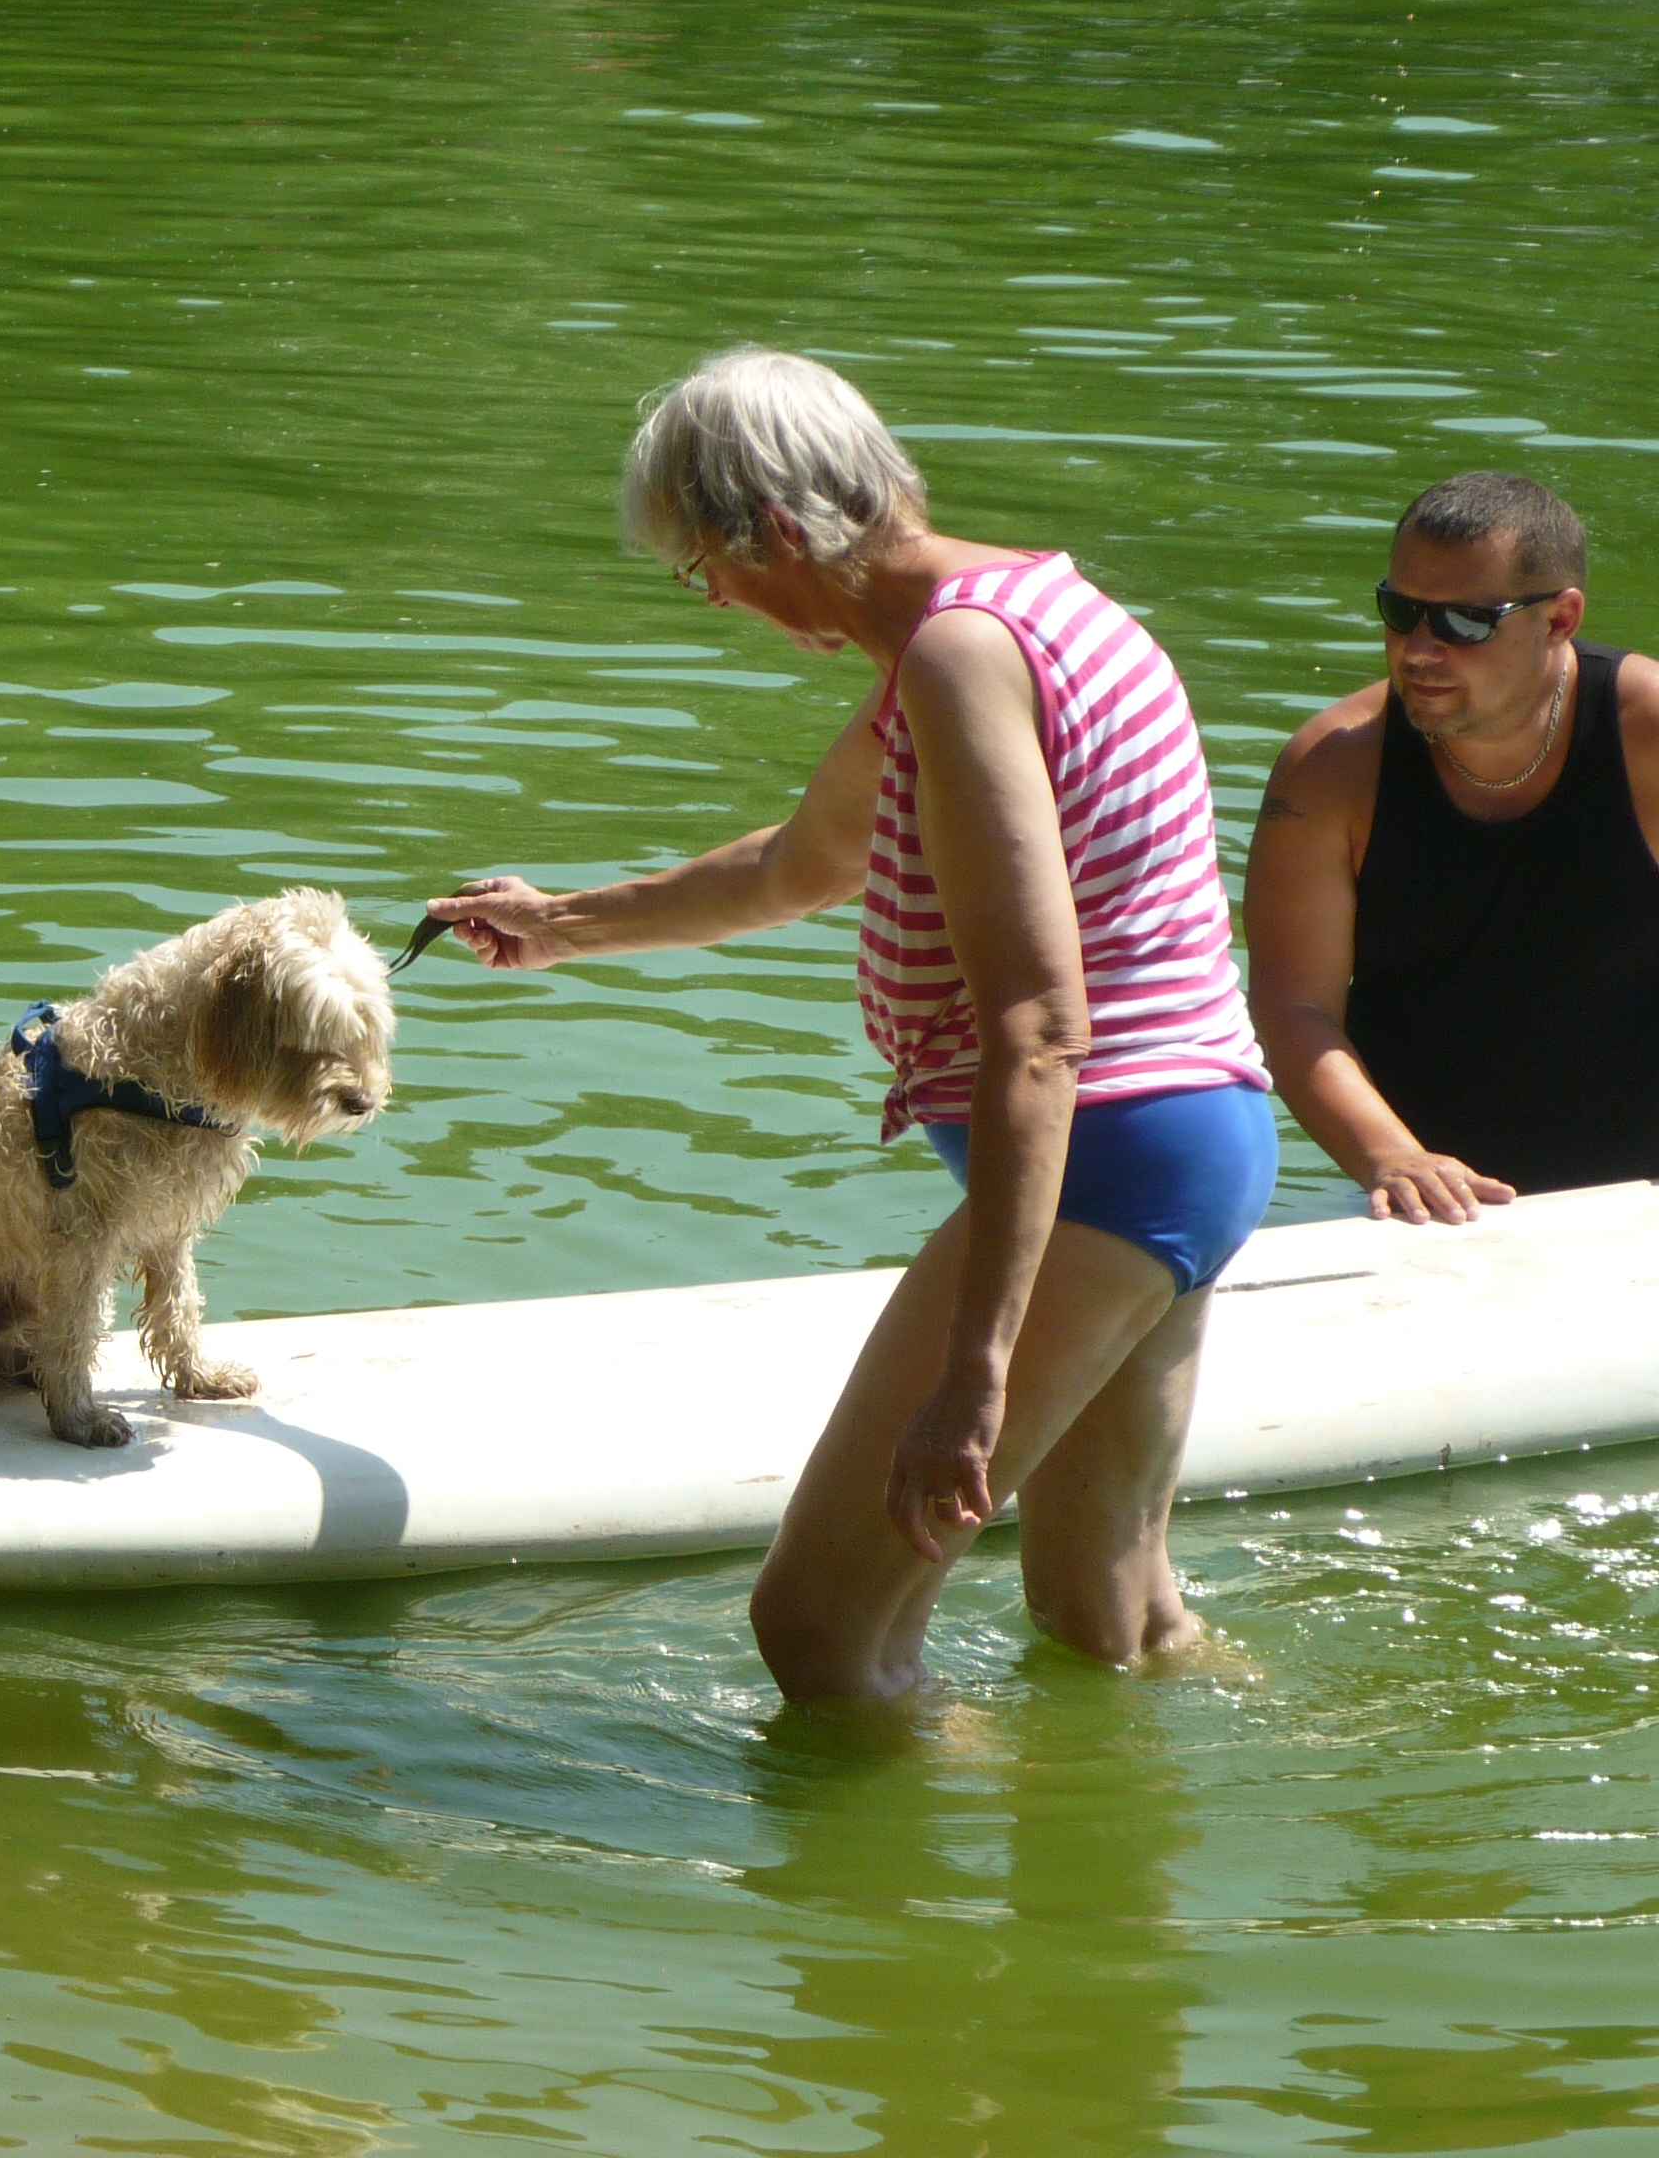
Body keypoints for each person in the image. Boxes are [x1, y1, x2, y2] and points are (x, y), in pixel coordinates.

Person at [426, 349, 1274, 1702]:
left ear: (774, 529)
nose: (728, 606)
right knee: (1105, 1612)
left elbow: (1042, 1029)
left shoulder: (957, 655)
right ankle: (1270, 1806)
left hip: (1104, 1163)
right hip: (1203, 1136)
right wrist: (561, 921)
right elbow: (796, 866)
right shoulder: (1037, 609)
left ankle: (911, 1912)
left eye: (710, 573)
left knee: (819, 1632)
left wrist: (972, 1375)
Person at [1245, 472, 1659, 1221]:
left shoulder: (1649, 740)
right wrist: (1390, 1155)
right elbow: (1294, 1005)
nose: (1420, 649)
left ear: (1561, 618)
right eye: (1401, 611)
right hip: (1431, 1203)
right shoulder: (1330, 768)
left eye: (1466, 621)